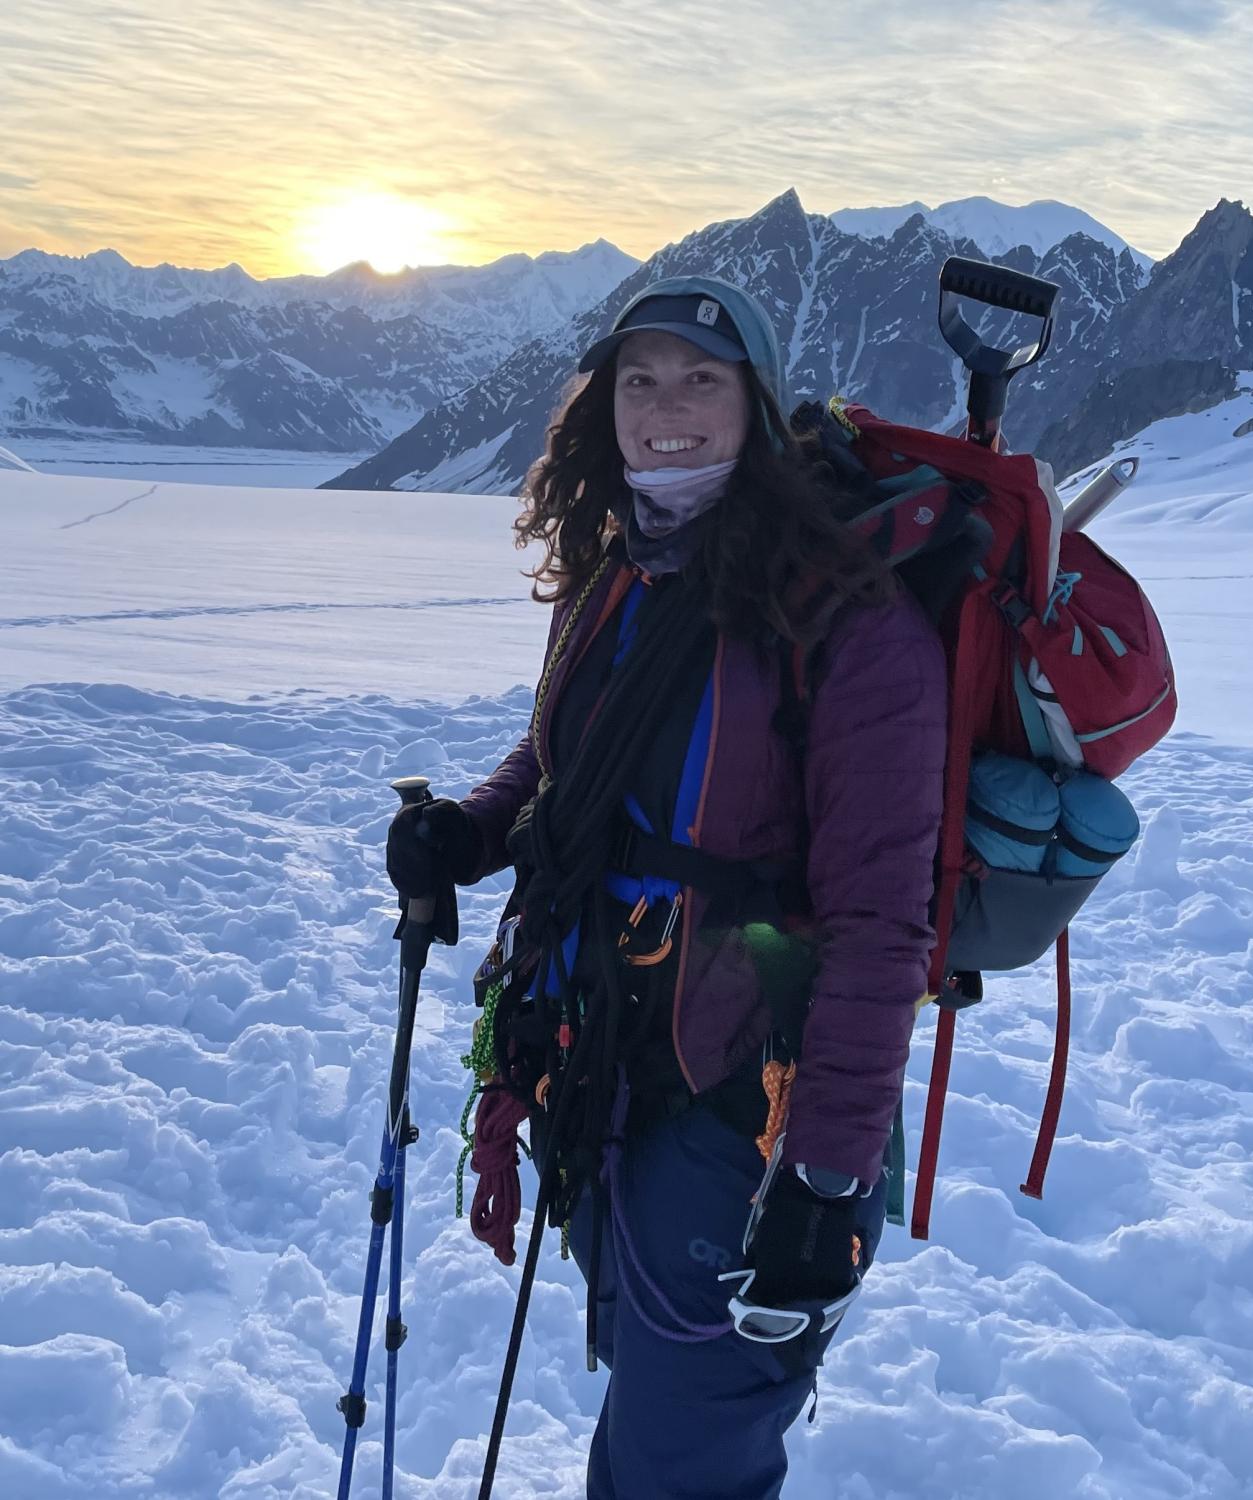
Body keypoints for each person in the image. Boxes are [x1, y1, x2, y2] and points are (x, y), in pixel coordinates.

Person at [386, 275, 946, 1499]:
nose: (665, 408)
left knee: (684, 1454)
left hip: (748, 1107)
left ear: (758, 404)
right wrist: (471, 833)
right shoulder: (621, 577)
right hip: (609, 1064)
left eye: (701, 379)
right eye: (638, 381)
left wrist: (827, 1179)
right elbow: (568, 759)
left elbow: (879, 928)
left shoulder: (850, 623)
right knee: (655, 1415)